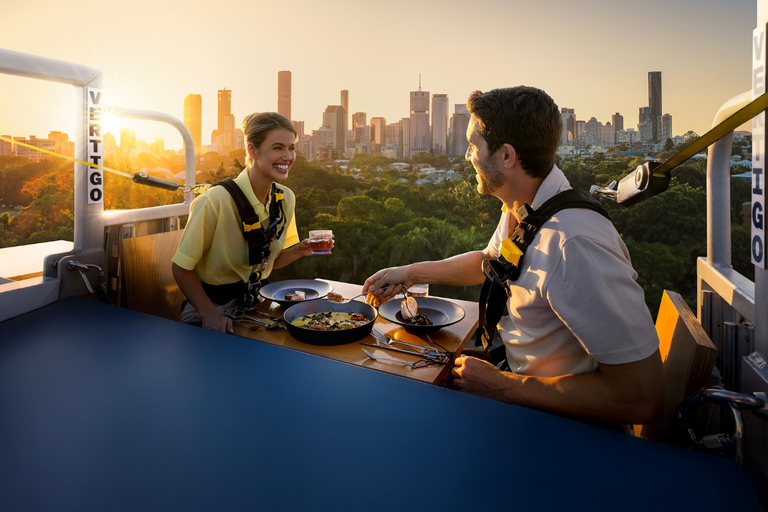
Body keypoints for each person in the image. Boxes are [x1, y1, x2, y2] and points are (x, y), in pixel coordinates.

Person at [363, 86, 664, 426]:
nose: (467, 156)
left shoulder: (573, 244)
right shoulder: (526, 208)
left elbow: (643, 397)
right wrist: (410, 273)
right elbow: (491, 261)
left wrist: (504, 387)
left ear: (507, 156)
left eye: (473, 145)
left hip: (555, 426)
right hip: (515, 386)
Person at [172, 112, 328, 333]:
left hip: (255, 307)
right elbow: (180, 268)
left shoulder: (285, 199)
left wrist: (298, 251)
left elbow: (265, 262)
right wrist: (210, 315)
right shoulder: (215, 201)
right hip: (211, 308)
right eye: (277, 148)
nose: (288, 156)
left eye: (291, 148)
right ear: (252, 150)